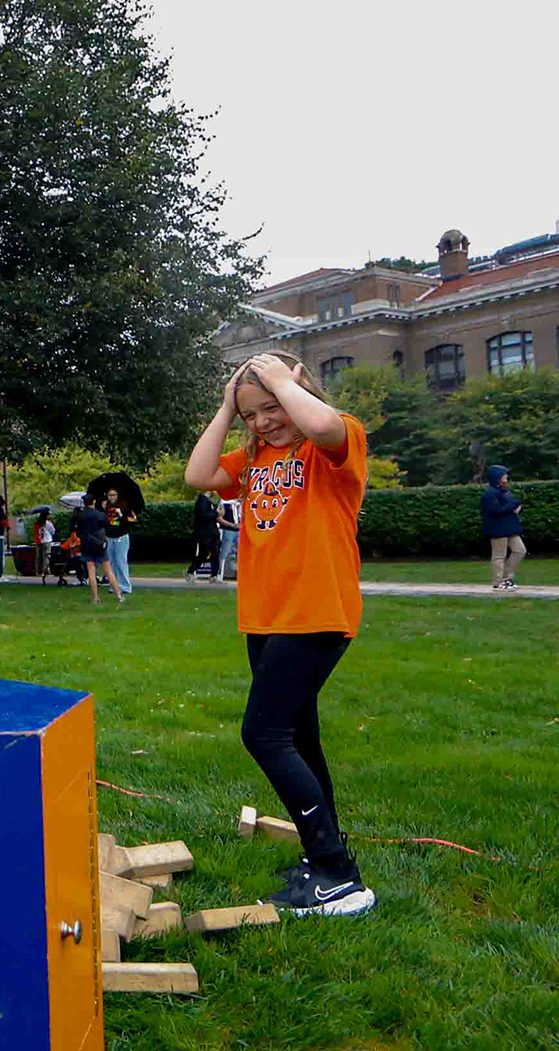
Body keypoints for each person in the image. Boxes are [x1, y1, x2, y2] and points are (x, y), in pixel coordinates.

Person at [183, 350, 376, 918]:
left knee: (263, 734)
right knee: (300, 737)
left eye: (272, 407)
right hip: (267, 618)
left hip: (315, 613)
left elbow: (317, 422)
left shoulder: (336, 444)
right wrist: (226, 406)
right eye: (252, 414)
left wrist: (277, 381)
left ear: (298, 391)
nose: (264, 421)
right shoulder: (254, 458)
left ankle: (339, 877)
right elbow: (197, 474)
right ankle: (325, 858)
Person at [481, 465, 525, 592]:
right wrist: (513, 505)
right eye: (504, 475)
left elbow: (510, 508)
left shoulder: (504, 492)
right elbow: (496, 511)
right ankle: (498, 582)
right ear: (497, 477)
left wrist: (516, 508)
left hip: (509, 527)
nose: (506, 478)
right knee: (499, 555)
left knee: (520, 550)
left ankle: (507, 578)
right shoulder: (489, 494)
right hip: (497, 528)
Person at [73, 496, 120, 605]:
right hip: (99, 545)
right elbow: (109, 528)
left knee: (91, 571)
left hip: (86, 545)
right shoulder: (100, 514)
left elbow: (77, 531)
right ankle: (119, 595)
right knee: (108, 570)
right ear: (94, 502)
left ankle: (95, 597)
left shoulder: (80, 516)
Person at [104, 487, 136, 596]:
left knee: (121, 561)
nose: (111, 497)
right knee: (111, 563)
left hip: (121, 537)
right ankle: (114, 585)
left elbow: (132, 520)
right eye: (109, 495)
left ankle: (125, 586)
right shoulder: (106, 506)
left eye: (113, 495)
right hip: (109, 537)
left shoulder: (124, 506)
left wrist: (121, 514)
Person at [185, 491, 220, 580]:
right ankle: (191, 570)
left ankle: (214, 574)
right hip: (205, 532)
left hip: (212, 531)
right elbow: (205, 515)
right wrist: (216, 513)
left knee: (214, 553)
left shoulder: (210, 501)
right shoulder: (202, 501)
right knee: (204, 553)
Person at [218, 496, 241, 580]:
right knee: (225, 552)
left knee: (241, 553)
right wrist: (231, 524)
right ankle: (220, 572)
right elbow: (219, 518)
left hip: (240, 530)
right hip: (228, 530)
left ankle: (240, 573)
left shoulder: (240, 502)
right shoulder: (225, 501)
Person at [36, 511, 56, 582]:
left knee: (39, 557)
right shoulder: (48, 523)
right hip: (47, 541)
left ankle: (38, 570)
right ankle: (45, 571)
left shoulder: (38, 523)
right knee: (46, 556)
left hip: (39, 541)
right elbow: (53, 531)